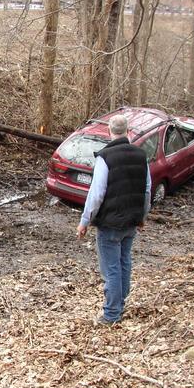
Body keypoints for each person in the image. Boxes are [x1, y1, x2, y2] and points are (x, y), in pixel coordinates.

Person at [76, 114, 151, 325]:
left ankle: (111, 314)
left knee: (112, 269)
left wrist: (85, 221)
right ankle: (120, 304)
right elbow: (147, 190)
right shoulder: (141, 155)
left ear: (110, 131)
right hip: (131, 221)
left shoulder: (105, 157)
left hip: (110, 223)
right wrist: (142, 216)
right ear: (128, 131)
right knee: (124, 262)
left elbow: (97, 193)